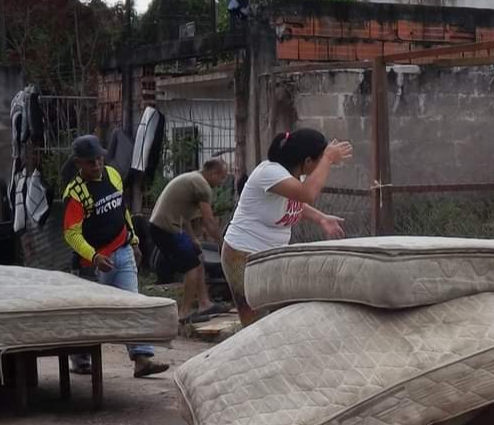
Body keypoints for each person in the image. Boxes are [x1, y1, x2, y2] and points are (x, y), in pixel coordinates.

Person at [62, 134, 169, 379]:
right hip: (92, 264)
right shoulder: (75, 193)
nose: (98, 165)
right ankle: (80, 359)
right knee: (89, 314)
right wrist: (94, 255)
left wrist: (133, 241)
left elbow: (122, 211)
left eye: (100, 159)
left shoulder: (112, 175)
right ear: (79, 163)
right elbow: (71, 234)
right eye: (91, 162)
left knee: (132, 304)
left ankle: (141, 358)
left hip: (122, 251)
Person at [222, 128, 353, 325]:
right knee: (255, 325)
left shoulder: (292, 176)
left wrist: (321, 218)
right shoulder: (270, 172)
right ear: (308, 161)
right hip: (242, 255)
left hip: (270, 256)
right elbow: (307, 194)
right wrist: (327, 160)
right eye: (318, 162)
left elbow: (294, 204)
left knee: (278, 320)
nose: (320, 168)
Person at [149, 158, 232, 323]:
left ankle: (204, 304)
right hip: (165, 228)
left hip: (164, 226)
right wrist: (222, 244)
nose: (222, 183)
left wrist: (193, 238)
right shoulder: (202, 185)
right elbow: (209, 221)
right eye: (222, 178)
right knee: (192, 267)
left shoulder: (193, 178)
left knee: (198, 257)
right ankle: (184, 314)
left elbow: (184, 214)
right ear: (213, 173)